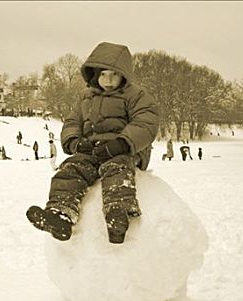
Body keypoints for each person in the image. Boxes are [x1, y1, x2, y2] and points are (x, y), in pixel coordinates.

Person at [26, 42, 159, 244]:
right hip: (91, 150)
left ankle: (118, 213)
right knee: (71, 169)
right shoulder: (85, 97)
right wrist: (75, 143)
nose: (108, 80)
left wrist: (122, 143)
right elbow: (73, 121)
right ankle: (60, 214)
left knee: (117, 169)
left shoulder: (135, 96)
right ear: (94, 74)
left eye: (114, 74)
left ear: (124, 74)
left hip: (122, 149)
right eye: (103, 74)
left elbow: (146, 121)